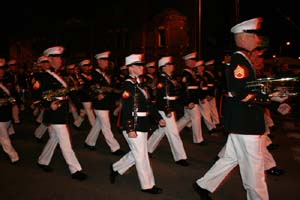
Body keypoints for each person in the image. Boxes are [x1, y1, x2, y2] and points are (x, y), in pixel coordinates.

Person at [193, 17, 269, 200]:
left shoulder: (243, 60)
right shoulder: (238, 61)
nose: (257, 39)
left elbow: (248, 88)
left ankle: (203, 185)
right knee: (254, 170)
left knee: (231, 158)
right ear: (243, 38)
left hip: (243, 121)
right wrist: (267, 98)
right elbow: (240, 91)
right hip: (245, 121)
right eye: (254, 35)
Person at [109, 53, 166, 194]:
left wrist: (158, 117)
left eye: (141, 65)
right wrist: (130, 128)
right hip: (134, 125)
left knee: (137, 153)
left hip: (142, 123)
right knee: (141, 155)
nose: (142, 67)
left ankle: (116, 167)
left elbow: (148, 104)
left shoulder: (139, 84)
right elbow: (127, 108)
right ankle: (148, 185)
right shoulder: (127, 85)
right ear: (130, 68)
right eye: (139, 65)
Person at [32, 46, 87, 181]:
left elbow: (71, 92)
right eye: (56, 57)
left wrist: (79, 106)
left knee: (54, 139)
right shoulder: (42, 76)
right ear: (49, 59)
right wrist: (48, 104)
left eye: (60, 57)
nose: (59, 59)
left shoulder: (61, 75)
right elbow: (36, 95)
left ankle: (43, 160)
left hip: (63, 111)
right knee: (65, 141)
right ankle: (75, 169)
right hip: (54, 112)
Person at [147, 56, 189, 166]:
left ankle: (147, 149)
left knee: (161, 131)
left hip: (170, 108)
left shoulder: (170, 78)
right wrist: (167, 110)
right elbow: (161, 98)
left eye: (171, 64)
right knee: (174, 133)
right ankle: (180, 157)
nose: (172, 66)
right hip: (165, 109)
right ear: (163, 67)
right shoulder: (162, 80)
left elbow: (176, 94)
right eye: (169, 65)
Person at [83, 51, 124, 156]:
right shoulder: (93, 74)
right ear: (99, 61)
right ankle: (115, 147)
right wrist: (96, 96)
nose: (106, 62)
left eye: (107, 60)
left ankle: (89, 142)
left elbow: (111, 88)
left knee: (98, 124)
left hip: (107, 103)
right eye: (104, 60)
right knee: (106, 126)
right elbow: (86, 89)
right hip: (99, 104)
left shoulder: (107, 74)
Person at [177, 51, 205, 145]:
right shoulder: (185, 74)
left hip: (193, 100)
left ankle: (173, 131)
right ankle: (198, 139)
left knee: (187, 118)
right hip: (190, 100)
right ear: (187, 62)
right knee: (196, 117)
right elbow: (185, 89)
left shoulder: (191, 73)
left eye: (194, 61)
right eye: (191, 61)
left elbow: (196, 88)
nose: (194, 63)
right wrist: (188, 101)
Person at [0, 57, 20, 164]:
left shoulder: (5, 80)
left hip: (6, 114)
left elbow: (12, 94)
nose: (1, 71)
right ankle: (14, 157)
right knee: (4, 138)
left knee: (4, 134)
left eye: (2, 68)